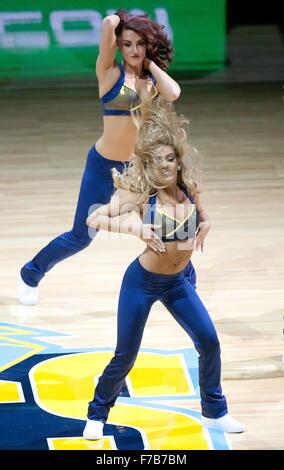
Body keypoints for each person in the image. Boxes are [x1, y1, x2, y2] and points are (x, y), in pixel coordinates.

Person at [83, 99, 245, 440]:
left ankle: (215, 412)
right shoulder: (141, 197)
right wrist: (135, 229)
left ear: (178, 158)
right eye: (157, 161)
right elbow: (93, 217)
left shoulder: (189, 187)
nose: (166, 166)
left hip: (178, 281)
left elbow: (203, 213)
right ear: (148, 165)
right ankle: (97, 412)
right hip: (142, 282)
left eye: (170, 158)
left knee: (210, 342)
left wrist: (206, 223)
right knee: (126, 355)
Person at [18, 9, 197, 305]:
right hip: (103, 165)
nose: (134, 50)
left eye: (140, 44)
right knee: (81, 235)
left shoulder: (152, 80)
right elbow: (107, 24)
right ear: (118, 46)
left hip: (139, 170)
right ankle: (29, 275)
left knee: (169, 225)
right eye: (127, 44)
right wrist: (120, 18)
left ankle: (186, 282)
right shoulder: (109, 74)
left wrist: (150, 63)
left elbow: (174, 92)